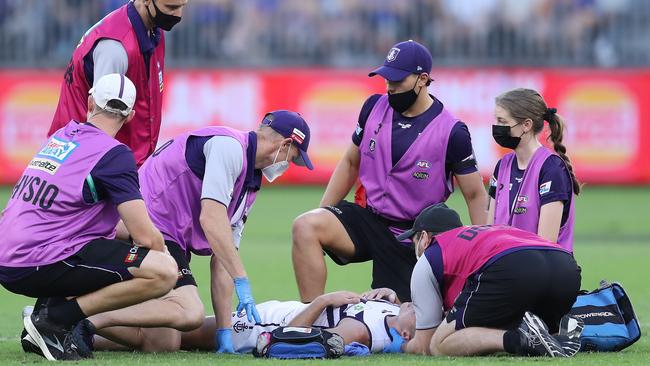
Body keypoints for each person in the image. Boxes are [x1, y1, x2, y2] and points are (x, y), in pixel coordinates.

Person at [58, 110, 314, 354]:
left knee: (163, 342)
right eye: (292, 157)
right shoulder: (229, 147)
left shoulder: (250, 185)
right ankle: (76, 316)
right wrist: (242, 279)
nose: (288, 164)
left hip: (168, 233)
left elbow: (223, 258)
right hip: (146, 224)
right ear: (286, 143)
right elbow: (212, 219)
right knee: (190, 313)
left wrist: (224, 332)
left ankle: (65, 327)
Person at [292, 40, 487, 304]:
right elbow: (351, 162)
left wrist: (481, 252)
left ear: (422, 79)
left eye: (397, 80)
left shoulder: (452, 131)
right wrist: (325, 211)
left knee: (394, 318)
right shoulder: (373, 107)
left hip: (413, 236)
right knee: (306, 225)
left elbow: (475, 194)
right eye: (386, 78)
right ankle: (311, 321)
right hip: (368, 220)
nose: (390, 87)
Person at [0, 74, 178, 361]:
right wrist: (167, 256)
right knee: (163, 270)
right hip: (39, 258)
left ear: (91, 101)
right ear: (131, 115)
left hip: (10, 256)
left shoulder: (61, 136)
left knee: (112, 250)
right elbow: (145, 237)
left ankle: (46, 316)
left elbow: (80, 216)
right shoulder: (114, 155)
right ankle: (56, 320)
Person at [393, 204, 582, 357]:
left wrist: (400, 345)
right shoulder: (479, 235)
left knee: (439, 344)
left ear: (424, 238)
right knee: (506, 322)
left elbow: (424, 345)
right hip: (565, 267)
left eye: (414, 242)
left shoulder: (431, 255)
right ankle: (556, 332)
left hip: (513, 268)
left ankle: (519, 340)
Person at [48, 0, 189, 166]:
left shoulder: (154, 31)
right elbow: (103, 123)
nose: (178, 14)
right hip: (82, 163)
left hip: (114, 160)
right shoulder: (115, 48)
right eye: (171, 7)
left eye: (182, 6)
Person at [175, 289, 415, 355]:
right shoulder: (392, 308)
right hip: (276, 310)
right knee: (175, 325)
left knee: (175, 334)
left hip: (260, 326)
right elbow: (403, 306)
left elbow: (289, 336)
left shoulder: (361, 331)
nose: (418, 306)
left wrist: (322, 301)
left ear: (405, 334)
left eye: (418, 314)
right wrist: (389, 292)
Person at [487, 88, 580, 251]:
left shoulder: (551, 168)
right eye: (496, 120)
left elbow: (545, 244)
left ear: (526, 125)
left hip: (543, 269)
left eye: (502, 121)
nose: (497, 127)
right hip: (504, 267)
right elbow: (488, 232)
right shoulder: (502, 166)